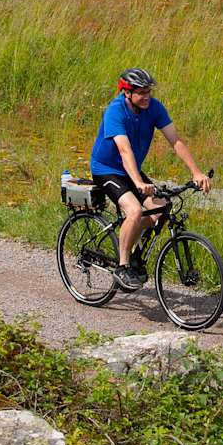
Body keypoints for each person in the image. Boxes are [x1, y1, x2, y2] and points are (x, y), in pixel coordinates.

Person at [88, 68, 210, 285]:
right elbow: (125, 151)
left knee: (161, 208)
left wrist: (196, 172)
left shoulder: (154, 108)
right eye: (141, 92)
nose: (146, 97)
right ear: (127, 93)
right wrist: (137, 182)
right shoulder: (115, 112)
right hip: (106, 168)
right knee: (134, 210)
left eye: (148, 92)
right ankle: (123, 266)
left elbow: (175, 140)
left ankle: (134, 254)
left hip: (131, 169)